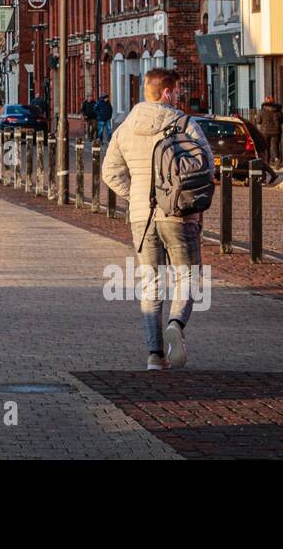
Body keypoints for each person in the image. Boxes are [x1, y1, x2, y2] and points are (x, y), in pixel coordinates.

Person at [101, 68, 213, 371]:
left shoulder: (124, 128)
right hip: (179, 213)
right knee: (187, 276)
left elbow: (109, 173)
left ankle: (154, 356)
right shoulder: (184, 123)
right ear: (166, 93)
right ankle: (176, 324)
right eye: (174, 91)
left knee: (150, 283)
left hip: (141, 216)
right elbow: (207, 166)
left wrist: (135, 195)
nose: (175, 96)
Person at [257, 97, 283, 165]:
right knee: (275, 146)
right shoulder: (278, 110)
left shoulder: (262, 111)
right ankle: (276, 159)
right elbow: (282, 120)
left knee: (266, 147)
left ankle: (266, 162)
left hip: (265, 131)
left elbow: (258, 121)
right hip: (276, 131)